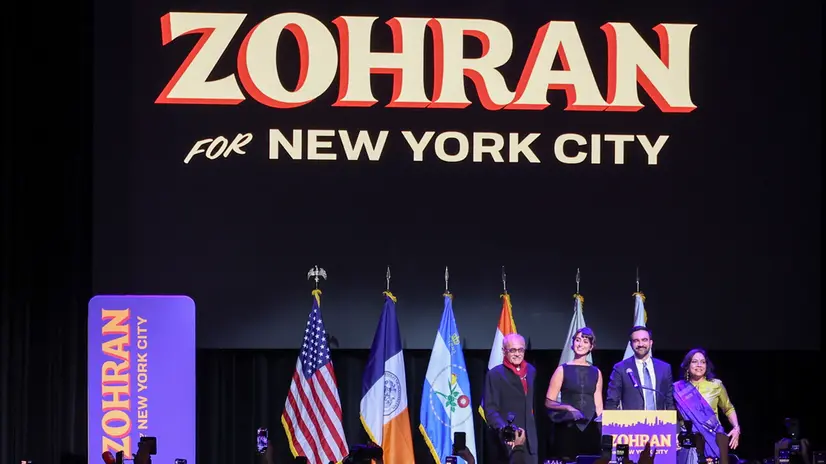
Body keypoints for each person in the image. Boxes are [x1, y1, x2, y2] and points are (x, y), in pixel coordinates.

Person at [545, 327, 604, 461]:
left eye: (585, 341)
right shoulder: (562, 370)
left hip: (590, 428)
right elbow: (548, 402)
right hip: (568, 427)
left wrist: (602, 426)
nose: (580, 344)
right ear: (572, 344)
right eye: (578, 340)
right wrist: (569, 408)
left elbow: (598, 403)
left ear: (591, 347)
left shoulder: (596, 372)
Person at [673, 348, 740, 464]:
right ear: (687, 365)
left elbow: (728, 408)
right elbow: (672, 416)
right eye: (694, 361)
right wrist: (674, 435)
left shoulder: (716, 385)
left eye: (703, 362)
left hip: (712, 440)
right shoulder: (677, 388)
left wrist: (736, 428)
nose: (699, 365)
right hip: (687, 444)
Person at [483, 333, 538, 464]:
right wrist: (505, 430)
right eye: (513, 350)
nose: (517, 354)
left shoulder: (531, 371)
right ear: (504, 351)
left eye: (520, 350)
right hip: (507, 441)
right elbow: (490, 409)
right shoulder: (495, 374)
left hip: (530, 441)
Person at [605, 326, 675, 410]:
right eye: (636, 341)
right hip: (631, 418)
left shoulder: (664, 368)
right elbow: (612, 401)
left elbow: (669, 401)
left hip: (658, 418)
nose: (641, 344)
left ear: (651, 342)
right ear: (631, 344)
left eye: (644, 340)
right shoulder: (620, 368)